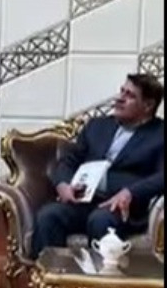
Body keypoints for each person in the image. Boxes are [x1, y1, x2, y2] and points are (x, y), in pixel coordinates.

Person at [31, 74, 164, 263]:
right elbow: (68, 161)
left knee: (100, 220)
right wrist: (63, 184)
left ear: (148, 106)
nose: (120, 98)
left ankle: (101, 281)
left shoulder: (159, 134)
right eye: (122, 91)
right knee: (49, 215)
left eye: (130, 95)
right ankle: (49, 278)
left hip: (122, 208)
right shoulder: (97, 126)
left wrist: (130, 192)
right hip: (83, 202)